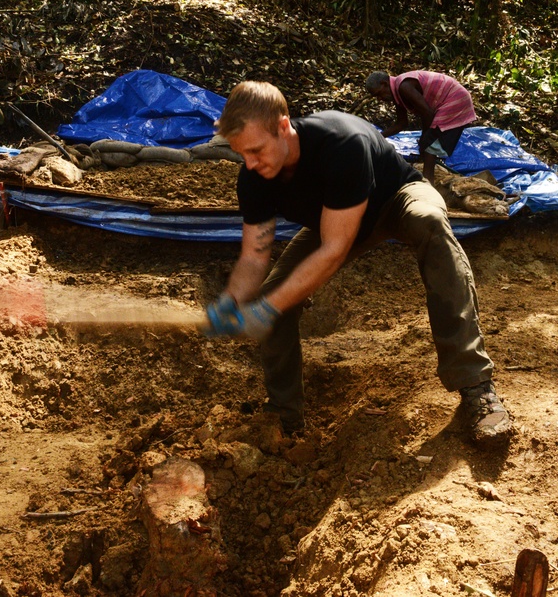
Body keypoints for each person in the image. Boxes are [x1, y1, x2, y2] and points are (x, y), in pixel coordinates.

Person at [202, 81, 512, 446]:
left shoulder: (340, 142)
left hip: (396, 197)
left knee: (429, 223)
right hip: (335, 221)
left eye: (256, 150)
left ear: (283, 126)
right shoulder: (254, 177)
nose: (251, 163)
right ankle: (285, 419)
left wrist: (266, 308)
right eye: (243, 155)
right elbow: (254, 254)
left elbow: (334, 249)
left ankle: (477, 388)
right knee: (276, 299)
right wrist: (233, 299)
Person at [365, 70, 477, 184]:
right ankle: (427, 177)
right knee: (427, 142)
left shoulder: (404, 86)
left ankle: (428, 183)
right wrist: (377, 136)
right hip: (447, 102)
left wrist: (424, 138)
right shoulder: (398, 93)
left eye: (379, 94)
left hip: (455, 99)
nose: (379, 99)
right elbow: (401, 123)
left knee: (430, 146)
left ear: (384, 84)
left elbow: (427, 113)